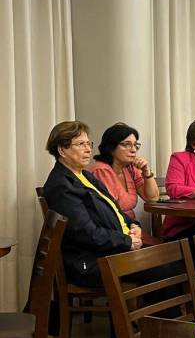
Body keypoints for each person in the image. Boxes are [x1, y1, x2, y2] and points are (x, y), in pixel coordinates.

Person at [43, 121, 143, 287]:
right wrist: (127, 241)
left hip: (113, 249)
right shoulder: (61, 185)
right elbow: (86, 233)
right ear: (62, 150)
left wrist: (133, 225)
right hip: (90, 261)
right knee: (165, 269)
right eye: (80, 144)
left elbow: (114, 210)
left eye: (88, 143)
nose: (88, 149)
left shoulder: (86, 176)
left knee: (173, 261)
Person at [91, 122, 159, 221]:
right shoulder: (101, 170)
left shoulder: (130, 168)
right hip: (113, 226)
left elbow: (152, 198)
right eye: (126, 145)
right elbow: (111, 210)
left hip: (129, 224)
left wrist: (146, 172)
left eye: (135, 145)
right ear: (111, 147)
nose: (133, 150)